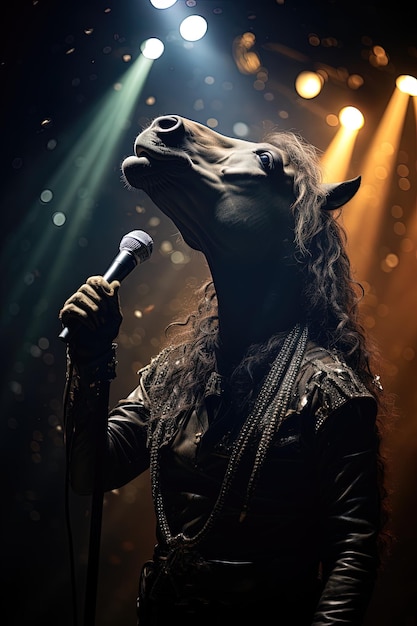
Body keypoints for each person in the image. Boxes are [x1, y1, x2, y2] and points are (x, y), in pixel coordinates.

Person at [59, 115, 390, 626]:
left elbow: (353, 553)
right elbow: (90, 472)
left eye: (263, 161)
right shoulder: (178, 373)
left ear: (296, 219)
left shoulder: (327, 390)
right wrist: (90, 359)